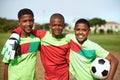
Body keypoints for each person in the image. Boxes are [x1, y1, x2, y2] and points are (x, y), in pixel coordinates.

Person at [13, 13, 70, 80]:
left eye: (60, 25)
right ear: (50, 26)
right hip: (48, 78)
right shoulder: (43, 35)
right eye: (54, 25)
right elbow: (27, 29)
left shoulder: (67, 40)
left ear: (64, 26)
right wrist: (15, 33)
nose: (57, 28)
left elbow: (69, 61)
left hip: (64, 77)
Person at [2, 8, 40, 80]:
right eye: (24, 21)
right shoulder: (12, 42)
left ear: (33, 21)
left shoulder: (36, 40)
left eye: (30, 21)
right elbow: (6, 65)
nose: (28, 24)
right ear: (19, 22)